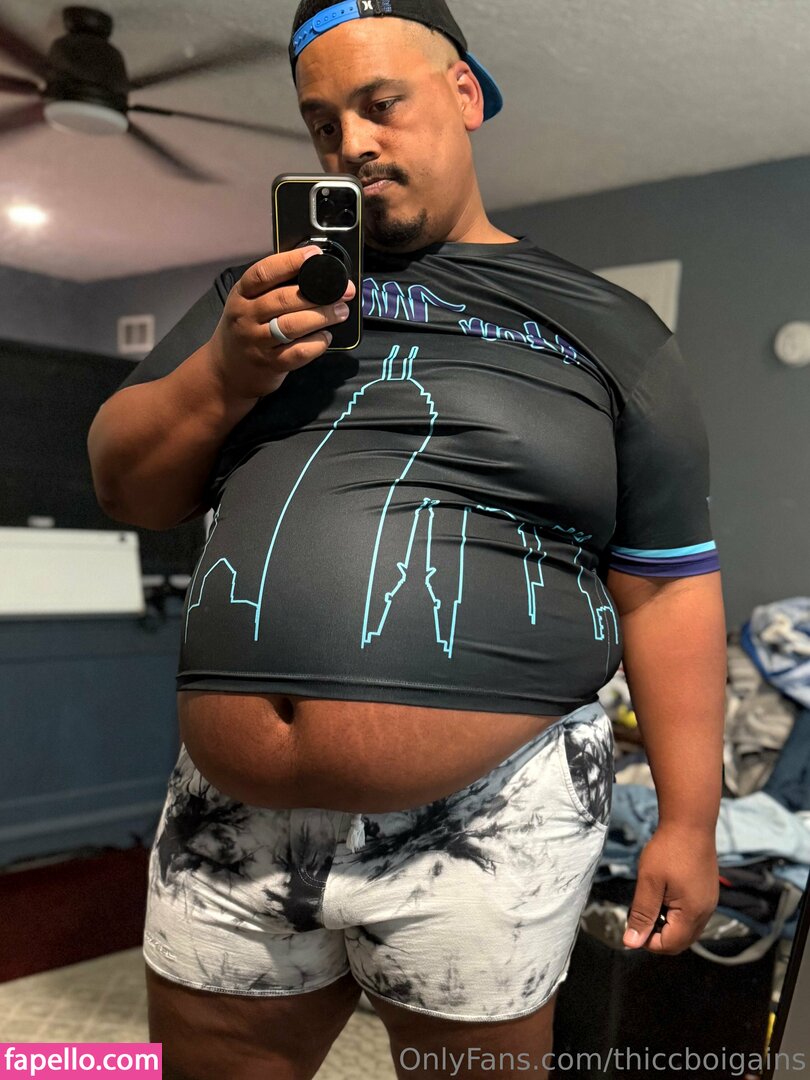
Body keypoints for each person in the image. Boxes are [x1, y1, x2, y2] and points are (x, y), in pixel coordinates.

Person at [87, 1, 728, 1077]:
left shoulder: (611, 328)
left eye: (381, 104)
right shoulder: (260, 300)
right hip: (229, 820)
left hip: (491, 814)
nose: (353, 144)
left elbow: (667, 586)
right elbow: (126, 484)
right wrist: (227, 372)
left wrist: (689, 822)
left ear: (464, 93)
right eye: (323, 123)